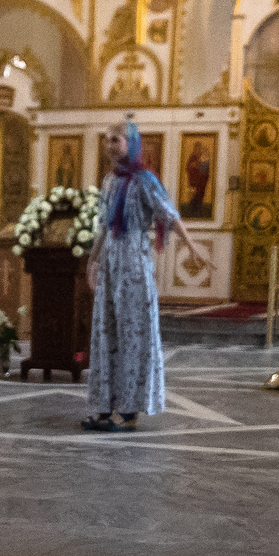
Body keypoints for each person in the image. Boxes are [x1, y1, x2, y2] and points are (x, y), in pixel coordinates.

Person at [84, 120, 204, 432]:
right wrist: (92, 260)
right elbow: (104, 227)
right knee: (106, 333)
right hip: (111, 265)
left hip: (134, 267)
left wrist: (192, 246)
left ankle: (127, 410)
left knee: (132, 336)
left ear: (132, 143)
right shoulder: (109, 182)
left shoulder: (145, 180)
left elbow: (170, 214)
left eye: (117, 139)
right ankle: (104, 405)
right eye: (108, 139)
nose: (111, 145)